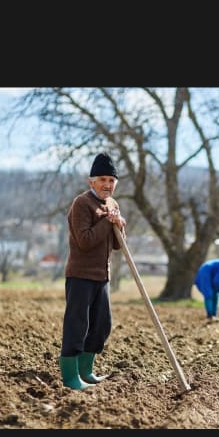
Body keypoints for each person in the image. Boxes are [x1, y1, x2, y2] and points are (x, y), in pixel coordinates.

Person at [58, 153, 127, 390]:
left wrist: (118, 225)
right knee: (77, 324)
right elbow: (85, 241)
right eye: (102, 179)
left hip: (102, 276)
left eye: (111, 180)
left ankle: (86, 370)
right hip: (80, 274)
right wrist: (107, 223)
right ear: (91, 182)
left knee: (101, 325)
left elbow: (118, 245)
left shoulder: (112, 205)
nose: (107, 185)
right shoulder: (82, 204)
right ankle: (70, 376)